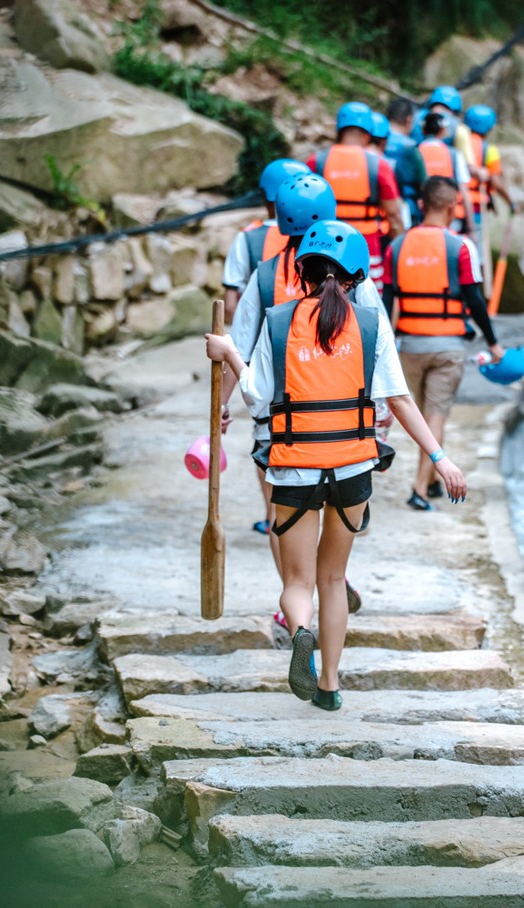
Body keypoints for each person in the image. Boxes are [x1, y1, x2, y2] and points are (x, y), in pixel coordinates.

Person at [206, 220, 467, 711]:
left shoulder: (280, 321)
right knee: (333, 581)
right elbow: (402, 401)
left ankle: (299, 629)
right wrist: (440, 458)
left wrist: (229, 356)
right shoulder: (370, 325)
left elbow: (258, 398)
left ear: (301, 271)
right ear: (356, 277)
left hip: (293, 468)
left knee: (299, 583)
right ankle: (328, 686)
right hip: (352, 470)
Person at [223, 172, 379, 615]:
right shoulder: (353, 275)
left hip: (277, 426)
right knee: (337, 511)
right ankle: (332, 576)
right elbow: (376, 340)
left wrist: (220, 405)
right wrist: (380, 407)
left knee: (281, 515)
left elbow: (240, 339)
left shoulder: (265, 274)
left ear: (276, 214)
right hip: (346, 424)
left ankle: (293, 600)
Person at [383, 176, 503, 511]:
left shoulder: (397, 246)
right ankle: (420, 488)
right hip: (447, 347)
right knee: (435, 417)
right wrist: (493, 343)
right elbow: (475, 301)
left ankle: (432, 481)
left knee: (420, 415)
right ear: (453, 207)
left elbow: (387, 299)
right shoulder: (461, 246)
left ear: (420, 205)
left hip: (408, 345)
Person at [308, 102, 406, 289]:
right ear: (368, 134)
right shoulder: (379, 165)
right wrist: (401, 252)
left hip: (324, 247)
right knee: (369, 304)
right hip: (367, 247)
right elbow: (394, 216)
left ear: (339, 129)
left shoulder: (317, 161)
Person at [221, 158, 310, 324]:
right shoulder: (319, 234)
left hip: (265, 334)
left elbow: (230, 305)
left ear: (263, 196)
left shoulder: (248, 237)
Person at [417, 113, 473, 236]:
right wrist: (471, 228)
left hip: (420, 218)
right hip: (451, 221)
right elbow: (465, 193)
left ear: (423, 130)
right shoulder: (454, 154)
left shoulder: (415, 152)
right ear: (443, 130)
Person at [462, 104, 517, 220]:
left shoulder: (457, 144)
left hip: (454, 203)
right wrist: (511, 202)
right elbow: (496, 181)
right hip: (475, 206)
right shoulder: (489, 150)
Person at [384, 98, 426, 226]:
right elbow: (423, 182)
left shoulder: (374, 141)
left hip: (379, 208)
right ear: (409, 119)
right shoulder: (410, 147)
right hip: (406, 210)